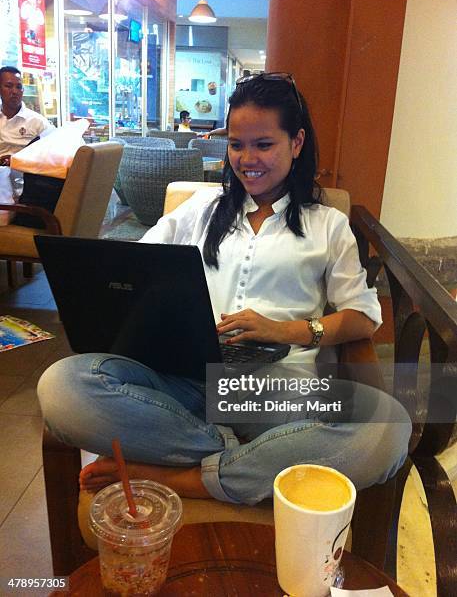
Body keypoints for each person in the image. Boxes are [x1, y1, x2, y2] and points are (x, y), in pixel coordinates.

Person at [37, 73, 411, 505]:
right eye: (236, 144)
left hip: (273, 391)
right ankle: (236, 460)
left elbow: (363, 318)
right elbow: (131, 270)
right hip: (181, 382)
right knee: (61, 386)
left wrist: (284, 330)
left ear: (297, 142)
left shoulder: (327, 225)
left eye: (263, 144)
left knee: (388, 426)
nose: (247, 158)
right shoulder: (200, 211)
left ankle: (180, 476)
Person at [0, 66, 51, 166]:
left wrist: (18, 160)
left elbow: (50, 156)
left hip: (27, 176)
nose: (14, 91)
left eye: (18, 87)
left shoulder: (37, 122)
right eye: (9, 86)